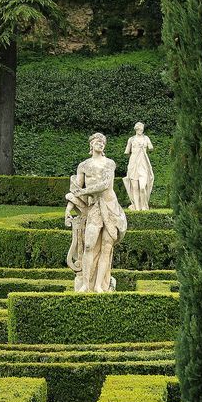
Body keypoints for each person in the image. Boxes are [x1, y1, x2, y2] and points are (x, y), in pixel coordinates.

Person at [65, 132, 127, 292]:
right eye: (98, 141)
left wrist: (83, 192)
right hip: (94, 209)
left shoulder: (109, 164)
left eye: (103, 142)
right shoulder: (83, 166)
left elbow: (106, 185)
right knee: (88, 246)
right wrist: (69, 208)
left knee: (107, 247)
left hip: (110, 207)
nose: (101, 143)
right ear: (91, 144)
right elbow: (76, 189)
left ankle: (99, 285)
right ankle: (86, 284)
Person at [123, 122, 154, 210]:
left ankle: (144, 205)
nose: (140, 130)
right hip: (133, 163)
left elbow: (151, 147)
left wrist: (146, 146)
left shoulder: (146, 138)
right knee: (135, 188)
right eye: (139, 129)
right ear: (136, 129)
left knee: (142, 187)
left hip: (143, 164)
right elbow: (126, 151)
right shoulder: (131, 139)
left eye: (141, 129)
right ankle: (137, 207)